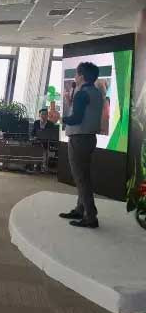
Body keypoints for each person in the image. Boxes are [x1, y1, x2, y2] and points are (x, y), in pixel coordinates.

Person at [60, 62, 103, 229]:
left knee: (81, 178)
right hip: (89, 138)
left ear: (82, 76)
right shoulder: (96, 92)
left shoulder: (82, 93)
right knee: (84, 176)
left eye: (76, 74)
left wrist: (60, 119)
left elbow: (76, 119)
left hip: (78, 139)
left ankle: (90, 216)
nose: (75, 77)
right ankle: (80, 209)